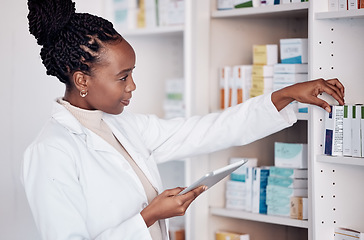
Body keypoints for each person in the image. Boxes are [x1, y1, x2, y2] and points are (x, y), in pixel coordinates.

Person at [22, 0, 345, 240]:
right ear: (82, 80)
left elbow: (206, 131)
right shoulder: (52, 151)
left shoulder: (123, 126)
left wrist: (283, 95)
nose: (132, 86)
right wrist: (148, 217)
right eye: (123, 77)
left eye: (132, 74)